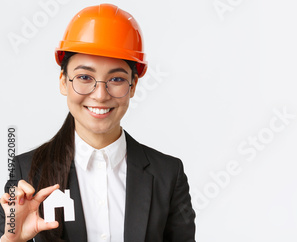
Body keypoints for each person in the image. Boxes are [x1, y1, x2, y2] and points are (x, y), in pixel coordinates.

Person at [0, 4, 196, 242]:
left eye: (116, 79)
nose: (100, 95)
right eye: (84, 77)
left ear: (133, 86)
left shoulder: (167, 174)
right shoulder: (27, 172)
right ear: (63, 81)